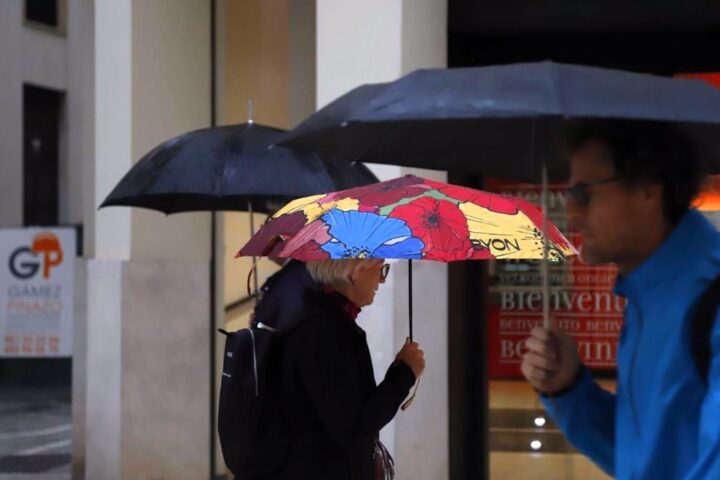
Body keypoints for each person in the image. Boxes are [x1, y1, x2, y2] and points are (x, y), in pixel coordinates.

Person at [521, 120, 720, 479]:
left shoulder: (708, 298)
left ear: (647, 189)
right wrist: (569, 388)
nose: (570, 212)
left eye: (584, 194)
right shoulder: (647, 296)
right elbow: (646, 459)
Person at [271, 258, 424, 480]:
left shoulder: (319, 320)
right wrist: (404, 373)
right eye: (379, 268)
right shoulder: (327, 332)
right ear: (354, 272)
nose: (381, 280)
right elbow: (355, 426)